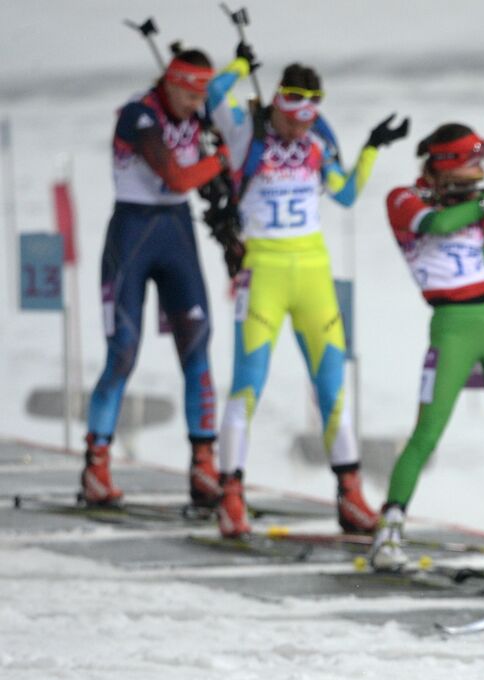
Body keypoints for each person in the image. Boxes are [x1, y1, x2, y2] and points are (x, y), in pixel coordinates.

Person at [207, 62, 408, 537]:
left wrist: (372, 148)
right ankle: (231, 494)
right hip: (264, 273)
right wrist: (239, 65)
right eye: (294, 111)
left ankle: (351, 496)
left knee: (332, 388)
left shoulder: (318, 141)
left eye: (310, 112)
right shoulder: (245, 135)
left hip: (313, 274)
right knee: (247, 385)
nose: (302, 122)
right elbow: (216, 90)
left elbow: (346, 194)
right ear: (278, 101)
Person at [368, 123, 484, 570]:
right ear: (443, 164)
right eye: (471, 163)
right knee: (427, 433)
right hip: (451, 326)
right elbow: (438, 224)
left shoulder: (478, 207)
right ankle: (387, 534)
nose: (480, 172)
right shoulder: (402, 198)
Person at [83, 46, 247, 508]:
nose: (199, 107)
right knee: (123, 353)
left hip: (176, 235)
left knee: (197, 348)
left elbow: (202, 179)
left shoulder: (195, 118)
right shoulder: (138, 114)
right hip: (132, 235)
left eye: (201, 100)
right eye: (193, 97)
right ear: (173, 84)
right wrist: (222, 159)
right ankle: (96, 464)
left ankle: (203, 464)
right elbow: (175, 176)